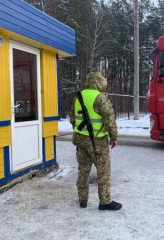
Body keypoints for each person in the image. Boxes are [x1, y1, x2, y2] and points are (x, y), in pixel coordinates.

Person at [70, 72, 122, 211]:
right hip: (97, 141)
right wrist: (114, 137)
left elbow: (72, 119)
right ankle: (105, 201)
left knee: (83, 171)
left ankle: (82, 200)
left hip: (80, 140)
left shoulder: (78, 97)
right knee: (103, 171)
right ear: (98, 82)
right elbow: (109, 119)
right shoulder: (100, 98)